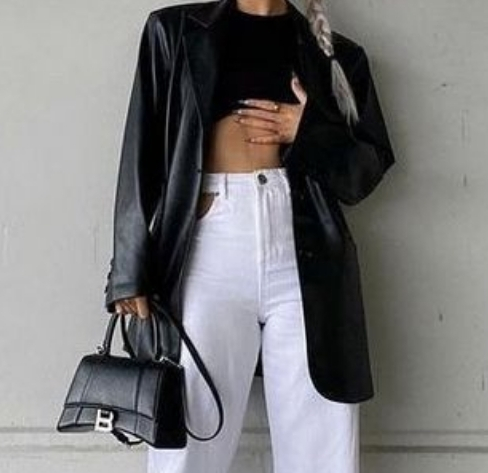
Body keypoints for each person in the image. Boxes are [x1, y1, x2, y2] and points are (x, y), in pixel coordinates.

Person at [105, 0, 396, 471]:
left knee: (321, 433)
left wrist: (306, 129)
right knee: (189, 430)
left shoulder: (336, 55)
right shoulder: (174, 31)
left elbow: (363, 174)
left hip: (305, 248)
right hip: (208, 242)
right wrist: (128, 268)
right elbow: (142, 150)